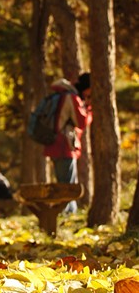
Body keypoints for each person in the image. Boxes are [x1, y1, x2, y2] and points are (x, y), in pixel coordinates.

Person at [43, 73, 92, 214]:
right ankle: (67, 215)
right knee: (68, 186)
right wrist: (88, 110)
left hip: (55, 144)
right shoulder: (72, 98)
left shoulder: (63, 96)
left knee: (65, 182)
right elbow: (81, 122)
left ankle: (67, 214)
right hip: (64, 146)